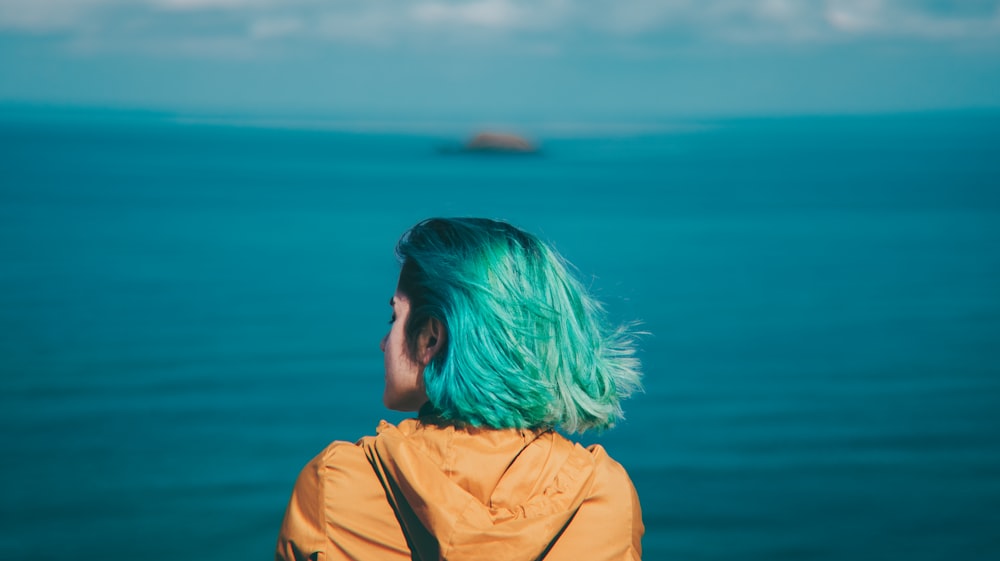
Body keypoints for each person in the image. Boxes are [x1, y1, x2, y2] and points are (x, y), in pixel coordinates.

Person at [275, 218, 644, 561]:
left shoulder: (338, 485)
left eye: (395, 317)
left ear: (431, 338)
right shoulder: (602, 495)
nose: (383, 343)